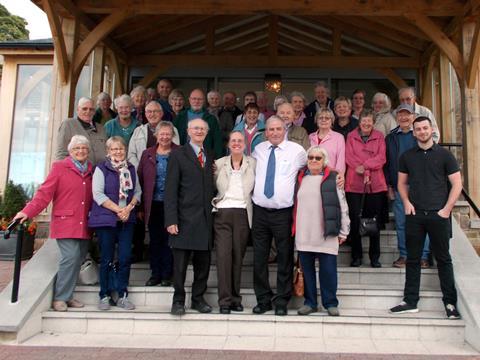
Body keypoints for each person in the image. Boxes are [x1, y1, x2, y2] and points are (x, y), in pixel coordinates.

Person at [390, 116, 462, 319]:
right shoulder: (407, 156)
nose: (422, 132)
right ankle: (410, 301)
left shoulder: (445, 155)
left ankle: (450, 303)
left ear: (431, 130)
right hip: (415, 215)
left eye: (425, 128)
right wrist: (406, 202)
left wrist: (447, 209)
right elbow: (402, 183)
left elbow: (457, 184)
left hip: (439, 215)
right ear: (413, 133)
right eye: (418, 129)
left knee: (443, 259)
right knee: (412, 259)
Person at [13, 135, 94, 312]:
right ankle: (60, 298)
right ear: (70, 151)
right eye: (76, 149)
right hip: (65, 222)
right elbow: (44, 194)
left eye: (84, 148)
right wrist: (27, 212)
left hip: (84, 224)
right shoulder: (59, 168)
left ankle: (69, 295)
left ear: (88, 151)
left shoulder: (90, 170)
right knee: (70, 257)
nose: (80, 151)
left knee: (78, 259)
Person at [251, 116, 307, 316]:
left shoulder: (297, 151)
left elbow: (314, 167)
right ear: (266, 131)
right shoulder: (258, 150)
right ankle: (263, 299)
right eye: (270, 129)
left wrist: (337, 175)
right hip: (260, 211)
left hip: (283, 213)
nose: (274, 132)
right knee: (259, 258)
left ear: (285, 130)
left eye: (278, 129)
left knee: (284, 257)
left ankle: (282, 300)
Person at [164, 118, 215, 315]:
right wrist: (171, 220)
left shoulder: (210, 155)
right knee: (180, 266)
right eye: (196, 128)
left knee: (203, 264)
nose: (199, 131)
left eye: (202, 128)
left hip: (205, 219)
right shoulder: (177, 155)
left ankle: (198, 299)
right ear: (188, 131)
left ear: (207, 132)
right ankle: (178, 301)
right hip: (183, 219)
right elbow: (170, 190)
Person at [293, 146, 350, 316]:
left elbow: (343, 205)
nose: (313, 160)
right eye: (310, 157)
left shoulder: (333, 178)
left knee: (328, 271)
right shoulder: (300, 178)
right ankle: (310, 303)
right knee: (307, 271)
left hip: (326, 233)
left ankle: (330, 303)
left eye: (318, 158)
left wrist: (344, 230)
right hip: (305, 232)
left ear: (324, 161)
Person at [89, 136, 142, 311]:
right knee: (106, 259)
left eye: (120, 149)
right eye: (114, 149)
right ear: (108, 151)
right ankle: (104, 294)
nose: (118, 152)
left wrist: (128, 208)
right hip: (107, 219)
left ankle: (122, 294)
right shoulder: (101, 169)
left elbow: (137, 192)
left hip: (127, 220)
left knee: (125, 257)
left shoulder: (131, 169)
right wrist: (118, 210)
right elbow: (98, 194)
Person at [212, 131, 256, 314]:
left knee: (238, 257)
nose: (236, 143)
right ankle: (224, 300)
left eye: (240, 140)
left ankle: (236, 299)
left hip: (243, 214)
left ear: (245, 144)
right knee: (223, 257)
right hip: (222, 213)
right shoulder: (218, 164)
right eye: (233, 141)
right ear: (228, 144)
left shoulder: (253, 163)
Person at [385, 104, 431, 269]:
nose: (404, 118)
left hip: (420, 187)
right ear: (397, 117)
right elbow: (388, 163)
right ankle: (404, 255)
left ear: (413, 117)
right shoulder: (391, 138)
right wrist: (389, 185)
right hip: (399, 187)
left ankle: (424, 256)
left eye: (407, 115)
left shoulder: (419, 134)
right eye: (400, 115)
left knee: (422, 222)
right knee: (402, 223)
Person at [345, 109, 387, 268]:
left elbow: (381, 158)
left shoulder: (379, 136)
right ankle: (356, 256)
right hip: (354, 184)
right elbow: (348, 156)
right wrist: (359, 167)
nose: (366, 124)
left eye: (369, 121)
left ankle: (374, 257)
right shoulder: (350, 136)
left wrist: (365, 167)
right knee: (355, 222)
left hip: (375, 185)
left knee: (374, 222)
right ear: (359, 122)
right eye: (364, 121)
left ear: (373, 122)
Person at [138, 121, 177, 287]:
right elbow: (140, 179)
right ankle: (155, 274)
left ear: (173, 135)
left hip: (173, 204)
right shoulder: (147, 154)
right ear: (156, 135)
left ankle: (168, 274)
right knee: (155, 240)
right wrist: (140, 207)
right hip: (153, 204)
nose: (165, 136)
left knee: (170, 240)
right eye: (162, 133)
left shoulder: (180, 152)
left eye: (168, 133)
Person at [55, 97, 107, 165]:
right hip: (78, 172)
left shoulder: (101, 128)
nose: (88, 111)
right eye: (84, 109)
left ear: (94, 112)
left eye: (91, 109)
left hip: (100, 172)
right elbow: (61, 153)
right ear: (77, 110)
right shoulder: (68, 124)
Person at [174, 89, 223, 158]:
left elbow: (217, 141)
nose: (196, 101)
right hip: (183, 157)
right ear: (189, 100)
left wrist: (218, 160)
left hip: (205, 158)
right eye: (194, 99)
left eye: (200, 99)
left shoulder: (211, 119)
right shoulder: (180, 117)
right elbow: (174, 138)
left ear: (204, 101)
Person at [309, 108, 346, 174]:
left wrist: (338, 175)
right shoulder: (310, 137)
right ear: (316, 120)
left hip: (331, 176)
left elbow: (341, 162)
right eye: (320, 118)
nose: (323, 120)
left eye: (327, 118)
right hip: (312, 175)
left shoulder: (339, 138)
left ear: (332, 121)